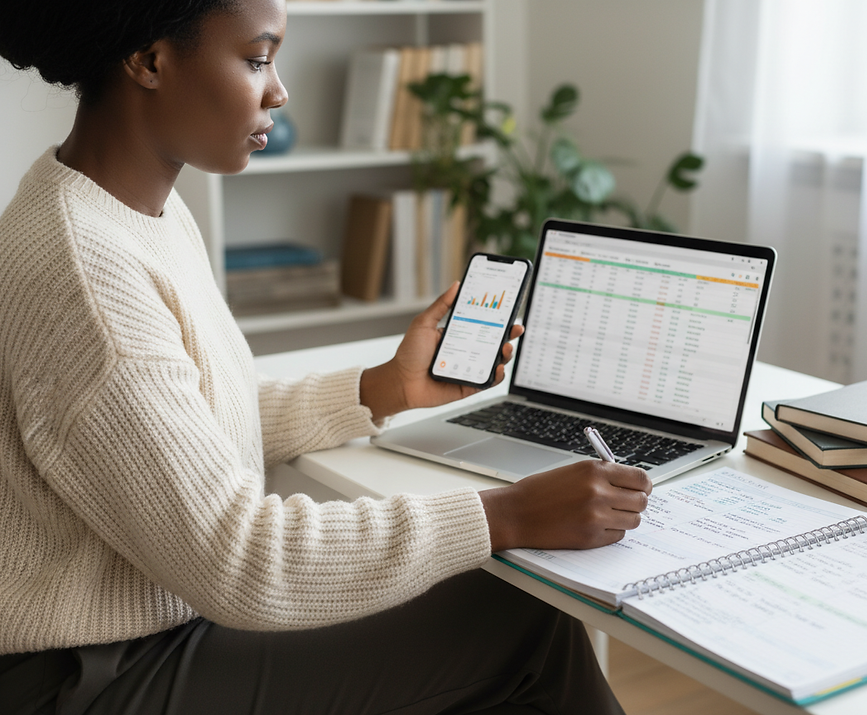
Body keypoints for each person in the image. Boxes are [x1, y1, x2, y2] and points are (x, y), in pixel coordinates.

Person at [0, 0, 653, 713]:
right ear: (150, 61)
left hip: (153, 630)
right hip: (88, 678)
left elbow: (186, 426)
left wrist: (382, 389)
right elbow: (240, 558)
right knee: (521, 623)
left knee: (504, 622)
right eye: (256, 59)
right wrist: (508, 514)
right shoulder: (86, 271)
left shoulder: (124, 208)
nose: (278, 90)